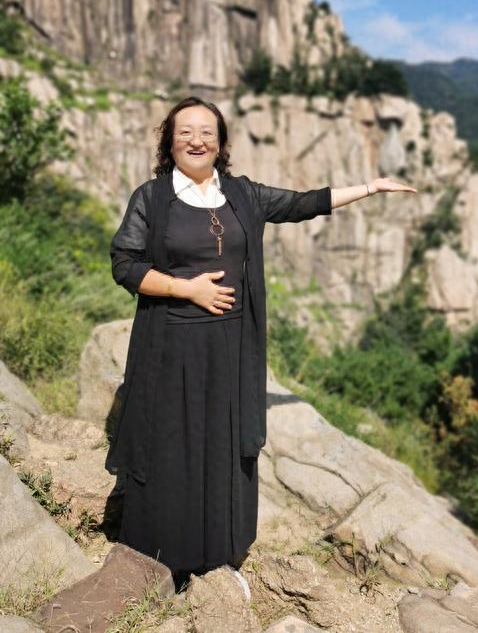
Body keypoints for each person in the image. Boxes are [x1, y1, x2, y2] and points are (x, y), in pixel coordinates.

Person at [106, 95, 417, 590]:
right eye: (185, 131)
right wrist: (187, 288)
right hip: (173, 347)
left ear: (221, 142)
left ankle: (217, 552)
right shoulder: (152, 198)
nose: (196, 140)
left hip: (231, 348)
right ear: (169, 140)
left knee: (222, 444)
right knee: (172, 442)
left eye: (207, 132)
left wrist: (370, 188)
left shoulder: (242, 194)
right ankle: (162, 553)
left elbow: (302, 203)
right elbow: (125, 264)